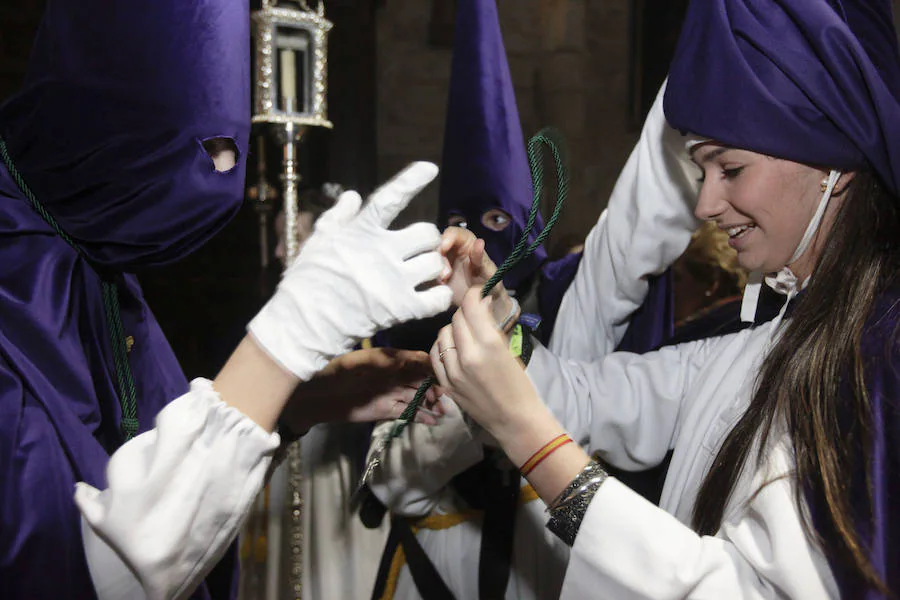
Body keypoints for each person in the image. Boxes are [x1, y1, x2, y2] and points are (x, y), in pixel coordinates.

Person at [432, 0, 900, 597]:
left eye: (730, 168)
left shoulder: (878, 363)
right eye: (701, 171)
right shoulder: (770, 337)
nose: (705, 205)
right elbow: (600, 396)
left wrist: (530, 440)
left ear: (835, 167)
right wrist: (500, 324)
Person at [0, 0, 453, 597]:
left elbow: (149, 472)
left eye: (235, 144)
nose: (223, 170)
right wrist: (286, 343)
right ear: (101, 107)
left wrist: (296, 405)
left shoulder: (96, 262)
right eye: (206, 140)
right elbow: (80, 571)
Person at [367, 75, 702, 597]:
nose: (478, 238)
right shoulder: (412, 327)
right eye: (458, 220)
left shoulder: (566, 301)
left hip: (546, 560)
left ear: (527, 225)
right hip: (437, 567)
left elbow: (635, 228)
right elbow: (389, 484)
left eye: (497, 218)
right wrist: (461, 407)